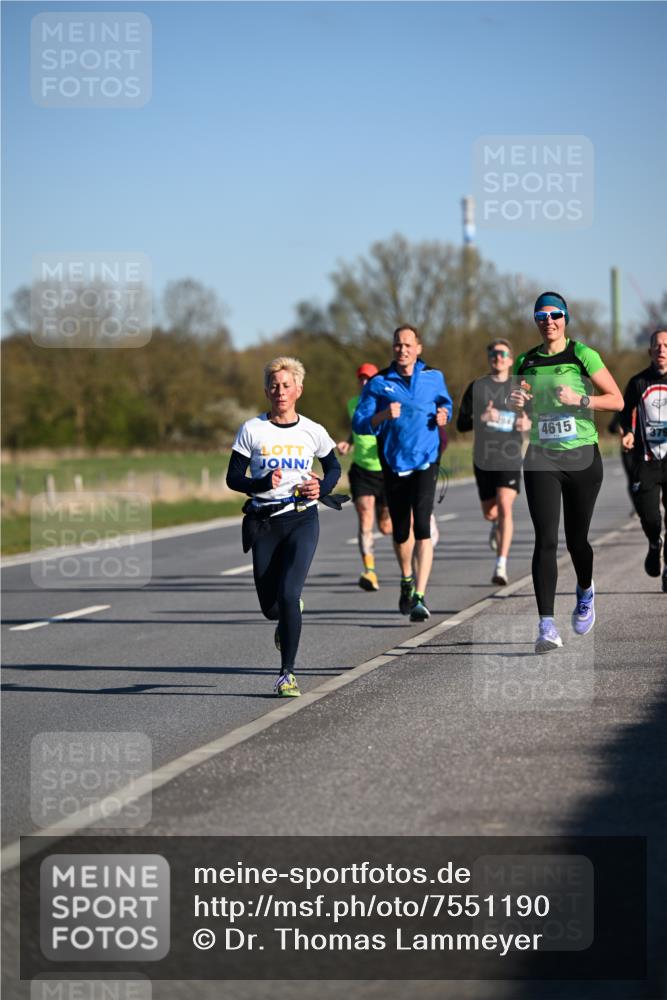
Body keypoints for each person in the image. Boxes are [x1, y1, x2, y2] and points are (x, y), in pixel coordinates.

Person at [509, 292, 623, 653]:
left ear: (565, 318)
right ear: (536, 321)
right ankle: (546, 625)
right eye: (541, 316)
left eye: (555, 315)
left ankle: (585, 590)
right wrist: (516, 404)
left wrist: (581, 400)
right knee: (545, 539)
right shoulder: (526, 362)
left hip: (582, 459)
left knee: (577, 541)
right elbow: (520, 407)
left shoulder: (582, 355)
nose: (549, 321)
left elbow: (617, 400)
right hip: (543, 457)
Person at [226, 356, 341, 697]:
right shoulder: (252, 429)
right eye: (274, 385)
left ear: (298, 390)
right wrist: (260, 483)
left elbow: (333, 467)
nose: (280, 391)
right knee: (271, 607)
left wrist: (322, 487)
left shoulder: (313, 430)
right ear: (266, 390)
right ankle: (287, 615)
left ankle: (286, 674)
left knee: (290, 594)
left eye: (287, 385)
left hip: (302, 518)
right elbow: (233, 478)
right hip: (264, 522)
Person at [352, 324, 452, 622]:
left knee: (422, 526)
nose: (403, 349)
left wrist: (444, 414)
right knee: (400, 531)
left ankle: (420, 596)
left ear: (418, 347)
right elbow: (360, 423)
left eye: (408, 344)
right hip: (394, 463)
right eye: (398, 345)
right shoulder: (379, 383)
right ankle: (407, 578)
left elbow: (445, 402)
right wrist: (383, 414)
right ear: (393, 348)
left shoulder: (434, 377)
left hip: (427, 459)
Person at [457, 338, 531, 586]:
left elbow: (538, 417)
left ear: (511, 359)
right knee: (491, 513)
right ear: (489, 359)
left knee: (505, 506)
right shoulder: (477, 387)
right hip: (483, 457)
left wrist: (528, 423)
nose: (498, 357)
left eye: (503, 354)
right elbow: (461, 424)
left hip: (509, 455)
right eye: (494, 354)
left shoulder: (520, 388)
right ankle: (496, 527)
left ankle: (501, 564)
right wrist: (481, 417)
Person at [337, 363, 393, 591]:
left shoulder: (387, 403)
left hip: (387, 471)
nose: (364, 383)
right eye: (361, 379)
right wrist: (347, 443)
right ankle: (369, 571)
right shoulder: (353, 403)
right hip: (362, 471)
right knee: (365, 518)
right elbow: (356, 429)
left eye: (368, 379)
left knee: (387, 527)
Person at [619, 328, 667, 591]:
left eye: (666, 345)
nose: (661, 349)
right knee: (650, 518)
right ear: (649, 351)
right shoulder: (638, 383)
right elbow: (625, 414)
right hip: (647, 460)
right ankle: (653, 543)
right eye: (657, 346)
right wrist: (627, 433)